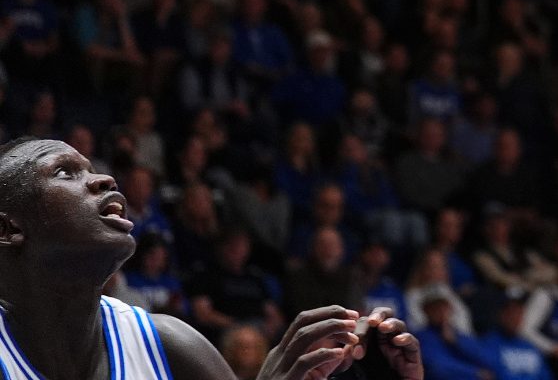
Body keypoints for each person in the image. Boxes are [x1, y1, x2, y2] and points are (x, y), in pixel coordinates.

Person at [0, 137, 420, 380]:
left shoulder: (168, 344)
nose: (104, 178)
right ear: (8, 230)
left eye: (91, 167)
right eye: (64, 172)